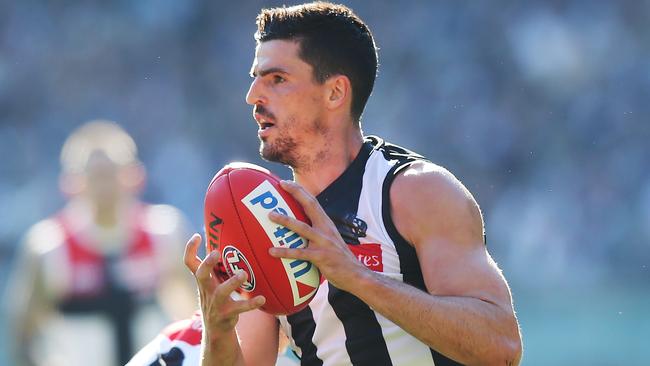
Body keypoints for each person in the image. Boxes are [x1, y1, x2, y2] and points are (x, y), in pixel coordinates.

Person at [186, 2, 522, 365]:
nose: (253, 96)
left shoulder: (414, 191)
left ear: (334, 93)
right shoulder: (262, 219)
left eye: (277, 79)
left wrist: (358, 278)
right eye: (255, 78)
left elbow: (500, 348)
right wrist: (218, 329)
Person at [4, 120, 196, 366]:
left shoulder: (165, 232)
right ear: (70, 183)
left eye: (111, 174)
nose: (104, 186)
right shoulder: (48, 246)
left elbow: (199, 312)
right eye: (95, 175)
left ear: (135, 176)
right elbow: (22, 333)